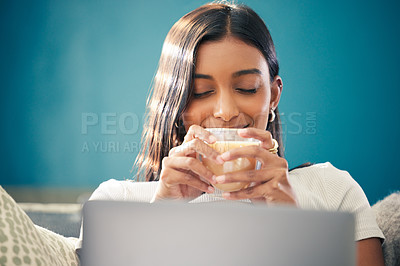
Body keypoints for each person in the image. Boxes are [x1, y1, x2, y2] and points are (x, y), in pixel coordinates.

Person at [78, 2, 385, 265]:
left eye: (246, 88)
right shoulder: (117, 202)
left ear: (274, 96)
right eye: (201, 92)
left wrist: (293, 225)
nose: (225, 110)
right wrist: (162, 214)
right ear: (176, 103)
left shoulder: (333, 191)